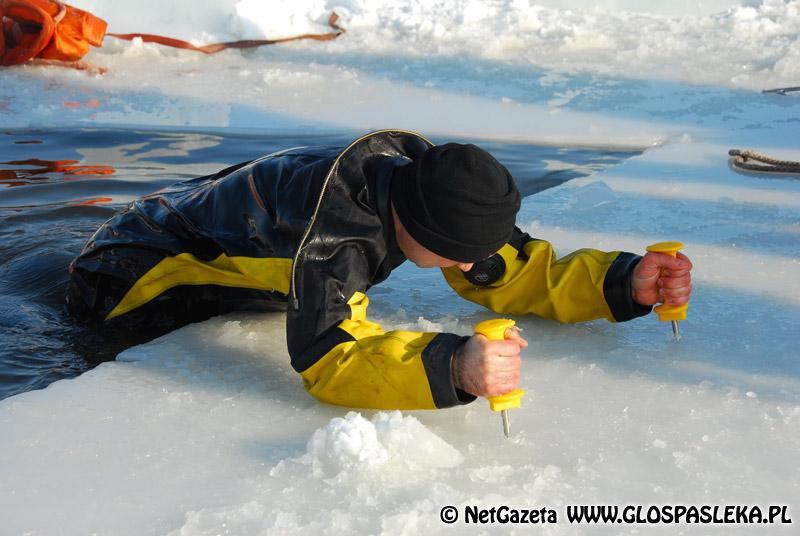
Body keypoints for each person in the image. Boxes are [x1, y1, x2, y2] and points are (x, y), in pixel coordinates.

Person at [66, 129, 693, 410]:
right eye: (458, 252)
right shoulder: (335, 235)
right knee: (97, 350)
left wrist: (626, 280)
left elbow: (506, 267)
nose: (474, 264)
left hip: (215, 237)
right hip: (133, 273)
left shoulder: (427, 187)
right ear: (415, 228)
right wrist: (455, 366)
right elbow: (327, 352)